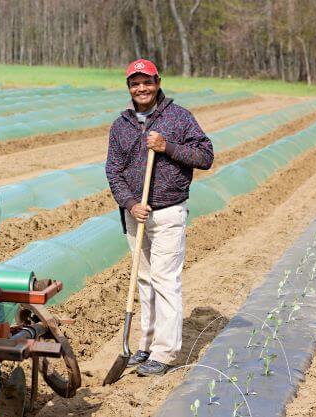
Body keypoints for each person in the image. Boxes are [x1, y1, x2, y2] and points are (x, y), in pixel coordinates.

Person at [105, 59, 214, 376]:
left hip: (168, 211)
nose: (142, 88)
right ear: (129, 87)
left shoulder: (179, 118)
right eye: (135, 83)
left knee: (165, 281)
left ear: (158, 82)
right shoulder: (121, 125)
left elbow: (205, 156)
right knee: (144, 280)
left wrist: (167, 146)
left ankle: (165, 354)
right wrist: (128, 202)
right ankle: (146, 345)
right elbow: (113, 171)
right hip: (135, 215)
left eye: (147, 82)